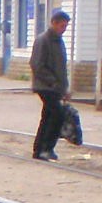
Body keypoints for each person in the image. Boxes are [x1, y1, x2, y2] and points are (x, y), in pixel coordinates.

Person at [30, 10, 72, 161]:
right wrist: (53, 82)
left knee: (48, 116)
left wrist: (64, 88)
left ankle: (39, 150)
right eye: (62, 25)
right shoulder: (43, 40)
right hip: (45, 86)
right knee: (57, 115)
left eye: (66, 26)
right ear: (54, 23)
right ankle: (46, 148)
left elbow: (61, 67)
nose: (64, 29)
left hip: (55, 87)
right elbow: (37, 65)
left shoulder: (59, 41)